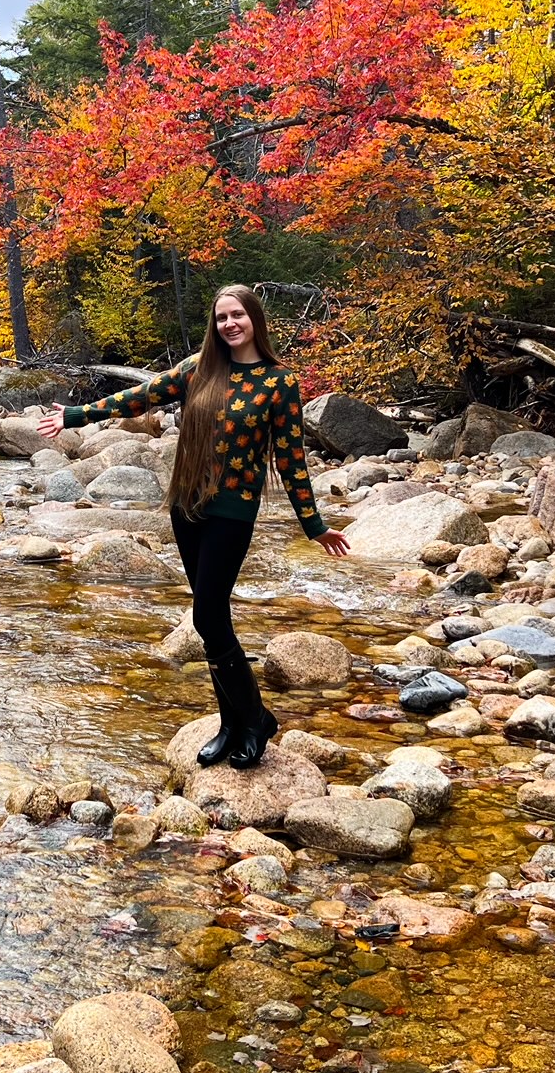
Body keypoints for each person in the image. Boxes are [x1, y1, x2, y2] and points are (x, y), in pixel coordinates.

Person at [38, 284, 349, 771]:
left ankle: (254, 721)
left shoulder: (279, 381)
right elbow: (139, 398)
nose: (229, 324)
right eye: (222, 317)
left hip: (233, 510)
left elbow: (291, 460)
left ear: (254, 321)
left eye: (238, 316)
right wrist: (77, 414)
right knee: (212, 617)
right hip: (187, 506)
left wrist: (314, 525)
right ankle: (233, 724)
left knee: (206, 615)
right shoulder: (197, 369)